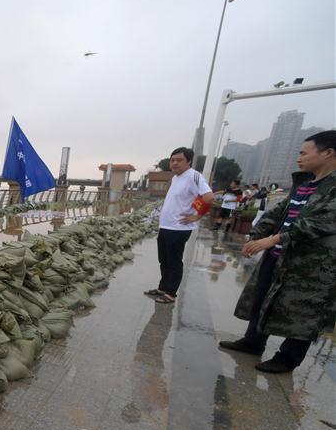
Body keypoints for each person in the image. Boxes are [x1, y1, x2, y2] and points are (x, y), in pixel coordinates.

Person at [219, 130, 336, 373]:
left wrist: (274, 239)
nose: (299, 158)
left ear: (328, 153)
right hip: (280, 255)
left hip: (313, 265)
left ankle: (287, 358)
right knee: (263, 297)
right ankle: (253, 341)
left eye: (304, 153)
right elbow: (278, 212)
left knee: (303, 310)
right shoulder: (305, 183)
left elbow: (321, 223)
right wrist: (256, 235)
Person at [144, 147, 213, 304]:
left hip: (179, 228)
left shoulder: (193, 176)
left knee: (174, 261)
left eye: (179, 160)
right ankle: (163, 287)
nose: (175, 163)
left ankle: (171, 293)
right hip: (166, 226)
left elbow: (208, 197)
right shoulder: (176, 178)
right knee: (164, 259)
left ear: (188, 161)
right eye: (172, 160)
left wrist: (196, 215)